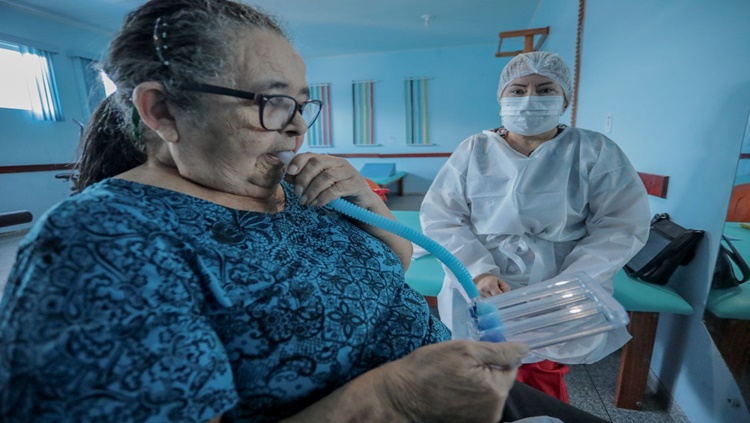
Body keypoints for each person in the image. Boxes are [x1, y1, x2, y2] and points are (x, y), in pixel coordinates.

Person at [0, 2, 609, 422]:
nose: (295, 125)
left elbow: (391, 263)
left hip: (461, 392)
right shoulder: (103, 246)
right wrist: (395, 404)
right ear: (162, 112)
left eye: (300, 102)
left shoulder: (287, 187)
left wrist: (366, 203)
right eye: (270, 101)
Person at [420, 51, 651, 401]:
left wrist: (571, 284)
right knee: (480, 362)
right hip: (482, 279)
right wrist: (477, 271)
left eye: (545, 90)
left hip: (562, 278)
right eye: (517, 90)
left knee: (541, 368)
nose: (530, 99)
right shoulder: (474, 149)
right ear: (501, 97)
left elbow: (621, 224)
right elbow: (443, 216)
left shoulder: (593, 150)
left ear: (565, 98)